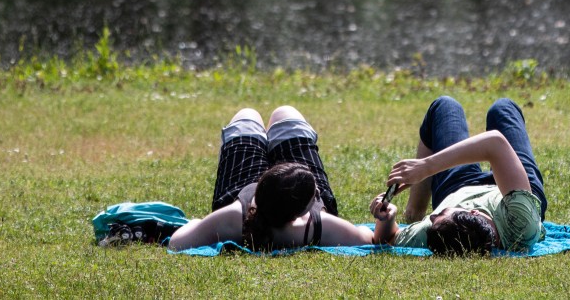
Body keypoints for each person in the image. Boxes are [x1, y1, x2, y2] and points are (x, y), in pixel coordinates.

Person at [167, 105, 397, 251]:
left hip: (241, 187)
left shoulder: (231, 218)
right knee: (285, 113)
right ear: (302, 212)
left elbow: (176, 243)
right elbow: (374, 241)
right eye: (315, 194)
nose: (318, 193)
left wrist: (201, 224)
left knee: (247, 115)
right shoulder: (320, 226)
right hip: (279, 192)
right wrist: (386, 220)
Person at [378, 96, 547, 255]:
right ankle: (415, 209)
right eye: (440, 213)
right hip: (518, 190)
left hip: (459, 187)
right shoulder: (521, 223)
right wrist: (425, 167)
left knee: (444, 105)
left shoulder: (437, 230)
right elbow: (495, 143)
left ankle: (413, 211)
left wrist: (386, 217)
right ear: (473, 212)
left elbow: (388, 238)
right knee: (503, 108)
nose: (432, 216)